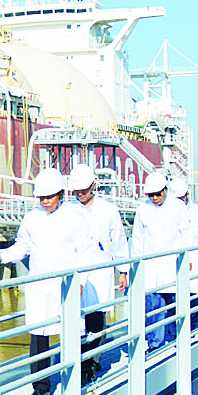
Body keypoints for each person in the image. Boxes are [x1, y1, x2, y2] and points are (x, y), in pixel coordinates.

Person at [0, 168, 97, 395]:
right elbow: (22, 246)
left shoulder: (75, 217)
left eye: (49, 197)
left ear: (60, 194)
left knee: (72, 333)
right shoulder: (32, 218)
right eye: (41, 197)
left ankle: (78, 376)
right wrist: (1, 256)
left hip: (67, 285)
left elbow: (86, 251)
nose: (45, 201)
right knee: (38, 336)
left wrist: (81, 281)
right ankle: (40, 386)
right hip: (40, 286)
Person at [68, 163, 128, 383]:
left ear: (93, 185)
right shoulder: (68, 211)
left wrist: (123, 270)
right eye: (77, 191)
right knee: (76, 321)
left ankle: (93, 363)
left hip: (100, 272)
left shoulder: (108, 210)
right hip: (77, 273)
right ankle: (79, 363)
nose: (80, 194)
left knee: (96, 319)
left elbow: (119, 240)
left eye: (84, 190)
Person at [131, 171, 183, 350]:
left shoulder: (177, 206)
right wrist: (136, 262)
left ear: (165, 190)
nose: (154, 198)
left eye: (157, 194)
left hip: (172, 262)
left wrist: (187, 258)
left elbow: (186, 233)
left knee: (174, 303)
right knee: (153, 306)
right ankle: (155, 343)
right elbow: (137, 237)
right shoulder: (143, 209)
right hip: (150, 265)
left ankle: (176, 336)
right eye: (151, 195)